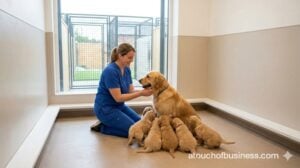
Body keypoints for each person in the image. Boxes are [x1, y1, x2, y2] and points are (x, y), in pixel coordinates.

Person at [91, 43, 153, 137]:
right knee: (134, 131)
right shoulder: (110, 71)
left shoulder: (127, 69)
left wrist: (145, 90)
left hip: (119, 107)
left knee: (141, 124)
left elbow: (130, 91)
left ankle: (111, 123)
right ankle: (102, 127)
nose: (131, 61)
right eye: (129, 58)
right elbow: (118, 98)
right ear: (120, 56)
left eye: (132, 58)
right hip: (105, 109)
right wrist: (141, 93)